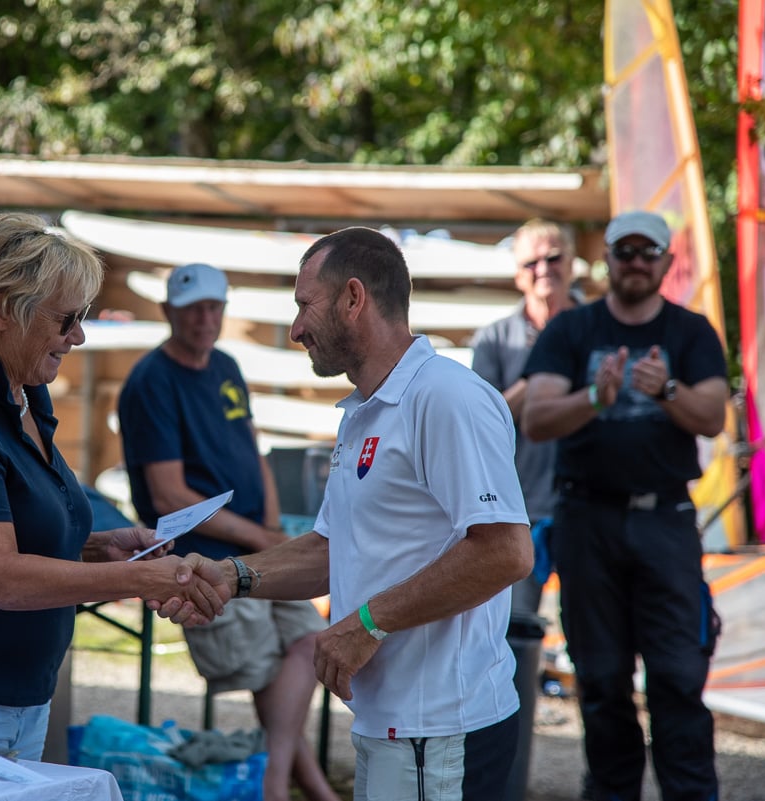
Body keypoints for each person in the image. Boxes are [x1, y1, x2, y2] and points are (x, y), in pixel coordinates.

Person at [163, 227, 535, 799]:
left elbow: (506, 552)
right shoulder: (364, 409)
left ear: (353, 298)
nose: (296, 329)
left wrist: (368, 622)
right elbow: (332, 548)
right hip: (397, 730)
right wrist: (232, 576)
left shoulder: (446, 396)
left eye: (304, 305)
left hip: (438, 731)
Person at [0, 212, 225, 761]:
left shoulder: (24, 395)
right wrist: (137, 576)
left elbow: (10, 534)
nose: (78, 336)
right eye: (66, 319)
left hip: (12, 699)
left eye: (82, 317)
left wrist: (99, 547)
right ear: (2, 312)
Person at [521, 209, 727, 801]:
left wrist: (666, 389)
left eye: (647, 252)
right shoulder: (571, 330)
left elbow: (713, 416)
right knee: (601, 679)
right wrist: (594, 396)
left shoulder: (691, 332)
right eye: (625, 252)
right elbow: (536, 418)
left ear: (665, 262)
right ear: (606, 260)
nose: (636, 262)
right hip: (588, 520)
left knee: (678, 676)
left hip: (665, 520)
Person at [117, 262, 341, 801]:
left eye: (213, 307)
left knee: (309, 641)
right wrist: (263, 539)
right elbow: (169, 496)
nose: (204, 319)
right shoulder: (151, 381)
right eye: (192, 309)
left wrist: (272, 529)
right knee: (266, 669)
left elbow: (253, 452)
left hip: (253, 546)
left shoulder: (225, 365)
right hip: (202, 560)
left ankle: (290, 781)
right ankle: (287, 785)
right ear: (168, 311)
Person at [470, 218, 581, 613]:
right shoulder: (493, 339)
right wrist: (540, 374)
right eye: (531, 263)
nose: (543, 269)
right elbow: (480, 425)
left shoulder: (598, 327)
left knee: (594, 634)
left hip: (589, 506)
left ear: (572, 264)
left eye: (553, 258)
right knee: (514, 627)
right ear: (518, 276)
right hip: (517, 509)